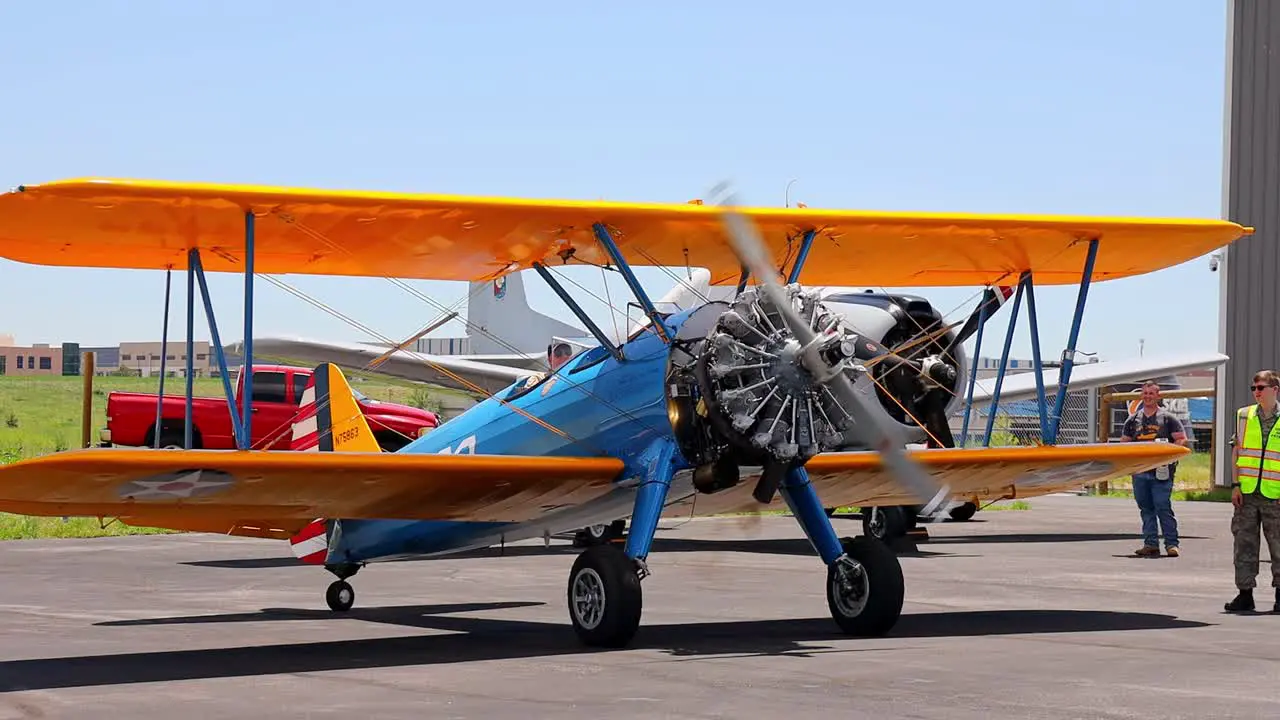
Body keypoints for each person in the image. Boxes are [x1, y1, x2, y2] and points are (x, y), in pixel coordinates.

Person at [1224, 369, 1280, 613]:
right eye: (1253, 388)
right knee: (1244, 544)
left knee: (1278, 546)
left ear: (1274, 389)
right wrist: (1235, 485)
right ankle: (1245, 594)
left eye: (1261, 388)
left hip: (1274, 494)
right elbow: (1237, 451)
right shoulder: (1244, 415)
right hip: (1246, 493)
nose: (1256, 392)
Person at [1119, 381, 1188, 557]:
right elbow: (1124, 444)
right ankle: (1150, 544)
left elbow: (1181, 439)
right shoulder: (1133, 420)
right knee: (1145, 508)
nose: (1148, 396)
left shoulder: (1168, 418)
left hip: (1162, 472)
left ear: (1158, 396)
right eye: (1145, 393)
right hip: (1140, 472)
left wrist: (1169, 458)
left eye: (1151, 393)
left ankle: (1172, 544)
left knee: (1162, 506)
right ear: (1141, 395)